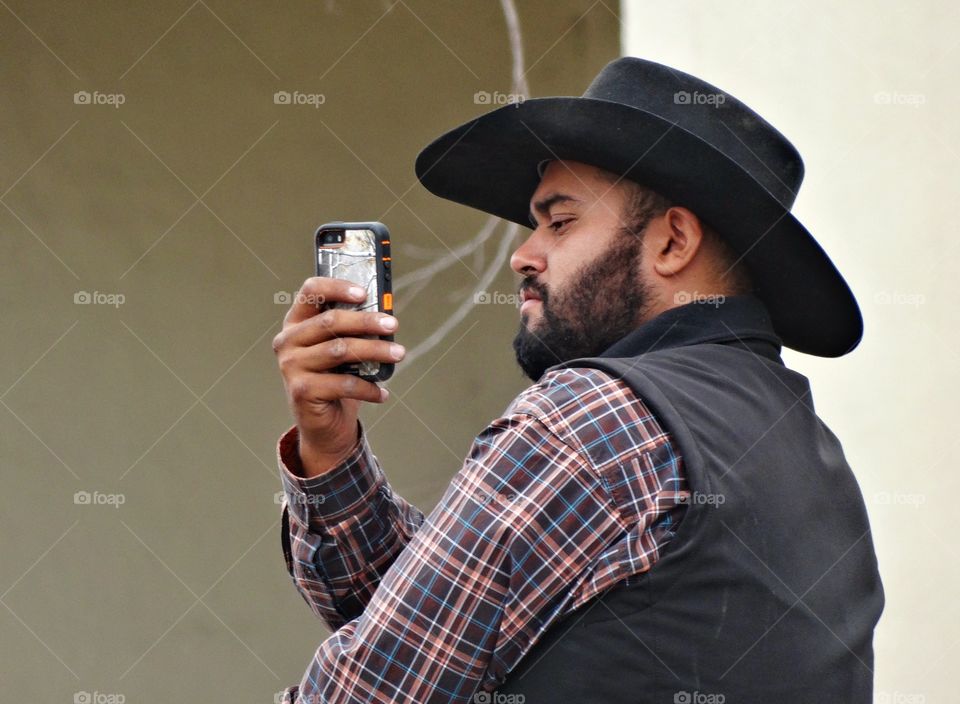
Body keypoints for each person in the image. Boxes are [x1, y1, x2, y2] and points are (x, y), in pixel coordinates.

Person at [271, 57, 883, 703]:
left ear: (673, 242)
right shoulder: (813, 455)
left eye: (560, 221)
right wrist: (331, 453)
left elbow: (380, 688)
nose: (524, 254)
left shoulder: (595, 414)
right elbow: (443, 626)